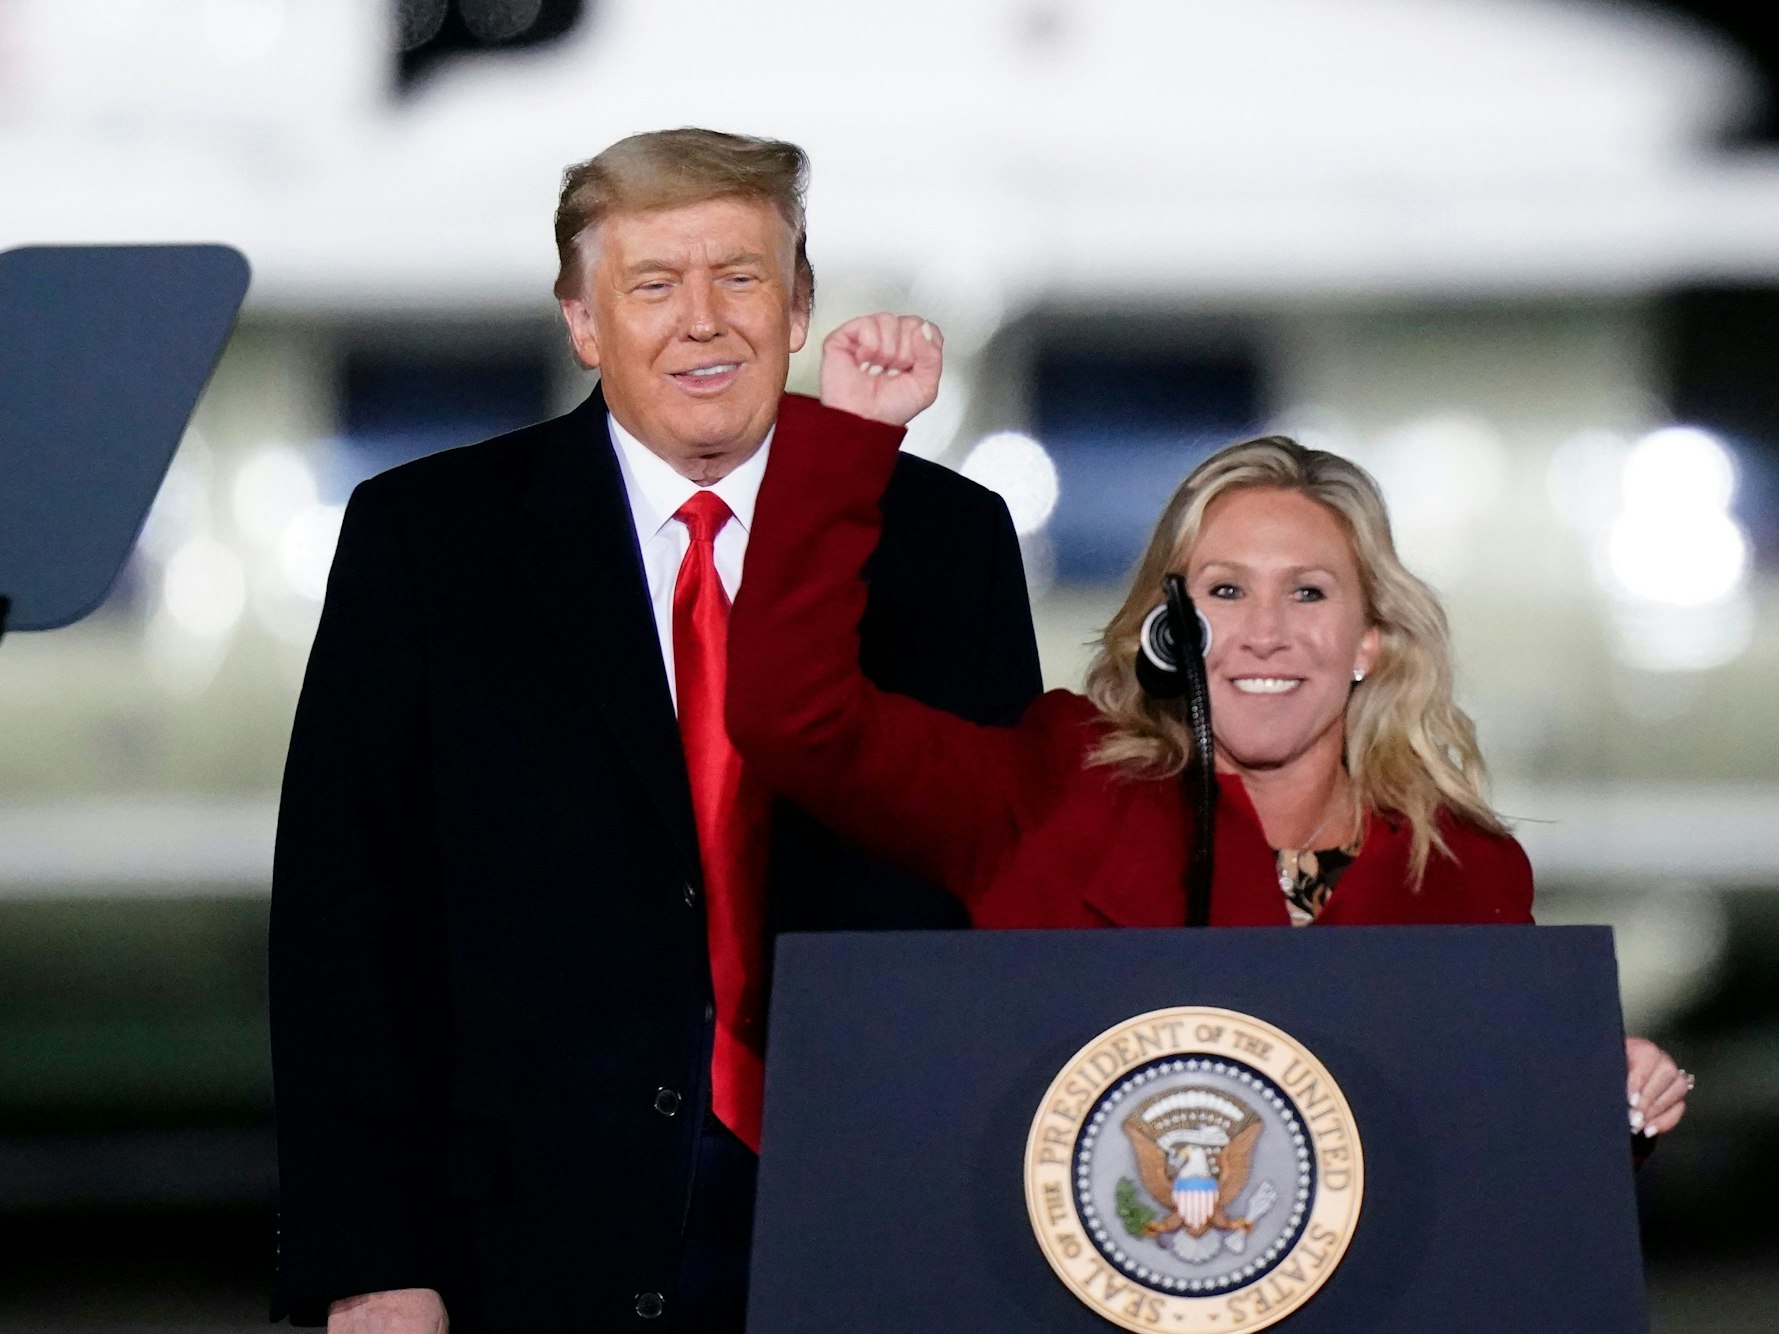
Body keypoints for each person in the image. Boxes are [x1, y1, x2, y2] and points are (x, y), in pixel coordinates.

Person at [267, 131, 1040, 1332]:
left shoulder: (945, 541)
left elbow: (999, 890)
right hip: (522, 1239)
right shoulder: (427, 540)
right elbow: (342, 920)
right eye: (653, 285)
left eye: (740, 276)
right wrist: (370, 1257)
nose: (704, 322)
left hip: (873, 1216)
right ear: (582, 321)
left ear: (800, 307)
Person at [728, 317, 1693, 1151]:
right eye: (1224, 591)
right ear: (1164, 629)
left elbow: (1492, 1167)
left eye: (1307, 593)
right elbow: (794, 718)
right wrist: (853, 438)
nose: (1263, 632)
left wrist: (1602, 1096)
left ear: (1371, 640)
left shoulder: (1465, 870)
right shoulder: (1047, 789)